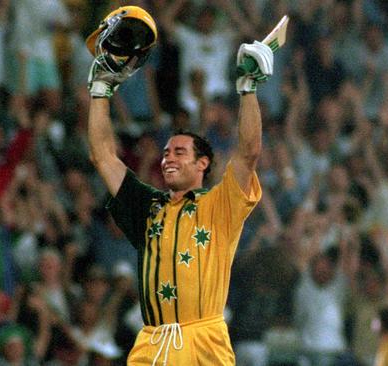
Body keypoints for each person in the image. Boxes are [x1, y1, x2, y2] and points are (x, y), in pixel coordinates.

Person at [85, 5, 274, 365]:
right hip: (152, 344)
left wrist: (248, 91)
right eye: (166, 152)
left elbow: (248, 154)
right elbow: (103, 157)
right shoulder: (147, 205)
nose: (167, 158)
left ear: (203, 163)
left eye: (179, 152)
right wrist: (100, 91)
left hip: (205, 342)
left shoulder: (220, 205)